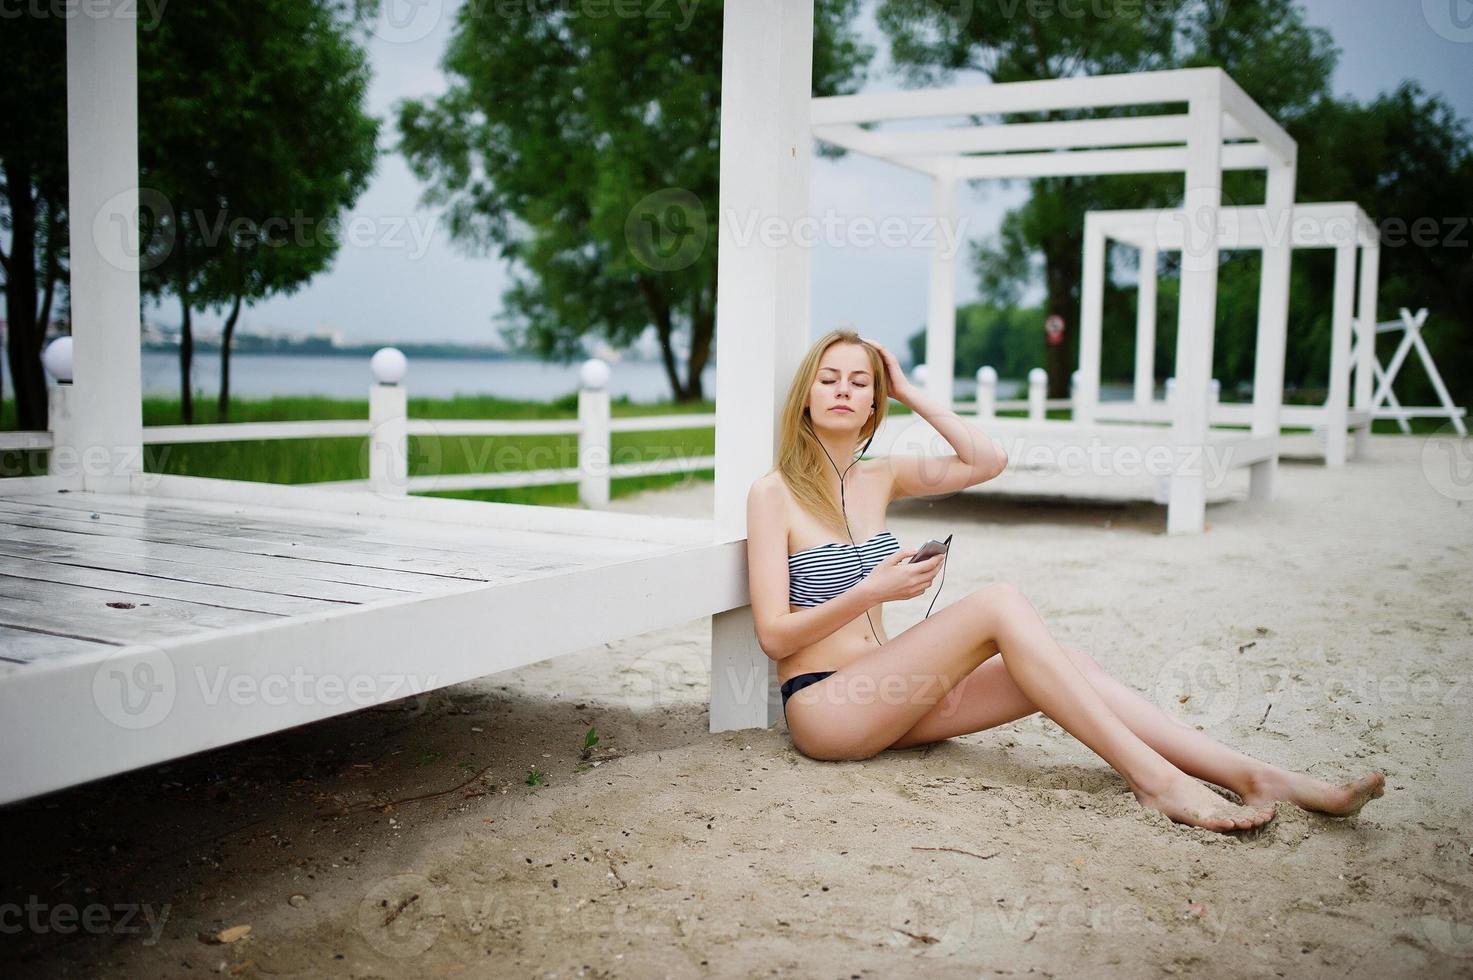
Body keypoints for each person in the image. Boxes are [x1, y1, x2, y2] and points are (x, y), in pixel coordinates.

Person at [744, 328, 1385, 833]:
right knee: (998, 604)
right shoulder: (774, 494)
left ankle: (1258, 775)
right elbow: (774, 636)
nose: (843, 390)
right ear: (805, 394)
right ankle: (1151, 778)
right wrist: (872, 591)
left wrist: (910, 390)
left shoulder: (878, 476)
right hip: (826, 707)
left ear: (874, 403)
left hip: (892, 696)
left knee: (1068, 661)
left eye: (861, 382)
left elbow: (986, 459)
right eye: (828, 379)